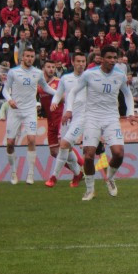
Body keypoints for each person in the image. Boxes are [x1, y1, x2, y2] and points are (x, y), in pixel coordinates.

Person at [72, 44, 134, 201]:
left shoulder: (120, 75)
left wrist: (130, 113)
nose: (113, 61)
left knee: (119, 154)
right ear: (101, 59)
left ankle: (110, 178)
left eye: (115, 58)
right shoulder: (89, 74)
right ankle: (89, 190)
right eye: (109, 57)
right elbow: (73, 91)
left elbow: (128, 94)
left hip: (111, 117)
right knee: (88, 156)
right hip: (92, 117)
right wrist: (69, 110)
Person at [2, 47, 44, 185]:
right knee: (10, 143)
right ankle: (13, 173)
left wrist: (58, 93)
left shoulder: (38, 73)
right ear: (22, 57)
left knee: (31, 139)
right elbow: (5, 90)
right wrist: (10, 100)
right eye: (27, 56)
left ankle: (30, 175)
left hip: (30, 111)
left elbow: (46, 87)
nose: (30, 59)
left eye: (32, 56)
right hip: (15, 111)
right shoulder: (13, 72)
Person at [46, 52, 88, 188]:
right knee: (67, 148)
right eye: (79, 61)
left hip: (81, 117)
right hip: (66, 116)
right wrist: (54, 102)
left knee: (64, 145)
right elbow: (58, 94)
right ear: (72, 62)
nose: (81, 64)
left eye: (83, 61)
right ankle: (77, 173)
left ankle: (54, 177)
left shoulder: (90, 78)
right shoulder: (65, 78)